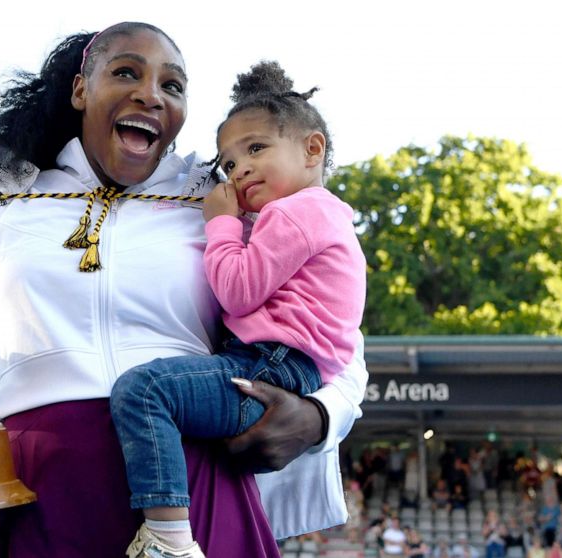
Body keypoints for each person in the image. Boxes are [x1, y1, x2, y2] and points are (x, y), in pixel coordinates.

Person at [0, 22, 367, 558]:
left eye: (172, 86)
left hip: (193, 486)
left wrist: (318, 417)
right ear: (81, 89)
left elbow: (332, 328)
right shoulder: (1, 208)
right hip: (41, 489)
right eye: (126, 72)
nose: (150, 94)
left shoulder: (226, 203)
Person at [109, 59, 365, 555]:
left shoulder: (295, 213)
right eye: (227, 163)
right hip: (284, 366)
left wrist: (222, 223)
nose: (239, 169)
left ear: (312, 149)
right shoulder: (318, 214)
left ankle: (168, 540)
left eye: (256, 149)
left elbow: (238, 291)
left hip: (271, 365)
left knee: (145, 391)